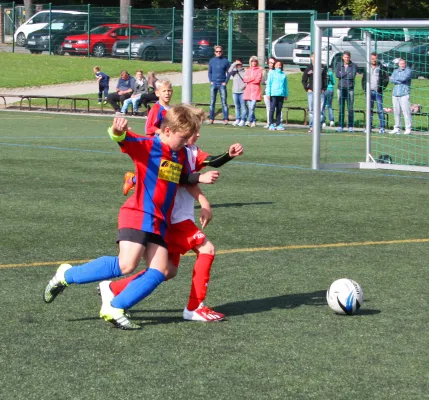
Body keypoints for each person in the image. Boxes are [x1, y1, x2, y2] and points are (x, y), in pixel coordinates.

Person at [43, 106, 219, 330]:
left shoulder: (180, 153)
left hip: (159, 221)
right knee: (126, 264)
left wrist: (198, 178)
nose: (185, 143)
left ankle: (115, 307)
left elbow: (181, 176)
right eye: (182, 138)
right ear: (166, 131)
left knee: (162, 271)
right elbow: (123, 139)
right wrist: (117, 131)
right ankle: (66, 274)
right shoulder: (149, 146)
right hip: (138, 213)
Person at [101, 109, 244, 322]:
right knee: (207, 249)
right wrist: (199, 180)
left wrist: (227, 157)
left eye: (196, 132)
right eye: (192, 132)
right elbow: (178, 176)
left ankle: (114, 288)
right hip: (175, 218)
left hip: (170, 218)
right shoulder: (173, 149)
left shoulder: (189, 151)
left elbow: (202, 167)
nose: (196, 136)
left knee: (167, 271)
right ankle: (194, 307)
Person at [361, 52, 389, 134]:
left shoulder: (381, 67)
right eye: (372, 58)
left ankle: (382, 127)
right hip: (369, 92)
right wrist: (365, 89)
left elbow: (386, 79)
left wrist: (381, 88)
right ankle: (368, 127)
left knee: (380, 109)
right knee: (369, 110)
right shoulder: (367, 67)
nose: (373, 60)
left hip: (378, 92)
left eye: (375, 58)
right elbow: (363, 79)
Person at [302, 52, 327, 133]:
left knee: (321, 111)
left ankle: (319, 126)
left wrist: (324, 88)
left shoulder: (323, 67)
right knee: (312, 110)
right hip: (311, 92)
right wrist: (307, 88)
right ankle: (312, 126)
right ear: (311, 58)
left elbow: (325, 79)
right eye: (314, 57)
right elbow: (304, 80)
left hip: (320, 92)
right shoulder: (308, 68)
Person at [389, 58, 412, 135]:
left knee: (406, 112)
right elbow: (391, 79)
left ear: (405, 64)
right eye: (400, 63)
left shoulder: (408, 71)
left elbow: (404, 78)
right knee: (396, 112)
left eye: (403, 63)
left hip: (404, 93)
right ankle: (397, 128)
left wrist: (396, 79)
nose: (402, 65)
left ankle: (408, 128)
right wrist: (397, 79)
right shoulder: (395, 71)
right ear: (398, 64)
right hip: (395, 94)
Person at [335, 51, 357, 132]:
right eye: (345, 57)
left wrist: (342, 74)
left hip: (350, 89)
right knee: (341, 108)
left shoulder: (354, 65)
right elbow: (337, 75)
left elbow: (352, 76)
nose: (346, 59)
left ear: (350, 57)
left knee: (350, 108)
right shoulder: (338, 65)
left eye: (348, 57)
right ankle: (341, 125)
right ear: (342, 57)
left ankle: (350, 126)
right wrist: (346, 73)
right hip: (340, 89)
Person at [208, 45, 230, 125]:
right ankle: (211, 118)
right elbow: (209, 72)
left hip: (222, 84)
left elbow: (229, 72)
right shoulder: (211, 61)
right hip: (213, 83)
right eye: (217, 51)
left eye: (220, 51)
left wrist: (226, 82)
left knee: (224, 102)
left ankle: (225, 118)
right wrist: (211, 81)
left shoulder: (225, 61)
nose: (218, 53)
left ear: (222, 52)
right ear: (215, 52)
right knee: (212, 102)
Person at [266, 59, 288, 131]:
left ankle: (278, 124)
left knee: (279, 109)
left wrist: (286, 94)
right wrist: (268, 93)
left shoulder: (283, 74)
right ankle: (271, 123)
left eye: (280, 64)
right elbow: (269, 83)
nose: (279, 65)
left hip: (281, 94)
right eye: (277, 64)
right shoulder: (271, 73)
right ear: (274, 65)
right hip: (273, 94)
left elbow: (285, 85)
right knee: (272, 109)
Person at [243, 56, 263, 128]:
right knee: (250, 107)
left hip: (255, 90)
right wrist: (253, 78)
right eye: (252, 61)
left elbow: (258, 80)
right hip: (248, 90)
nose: (253, 63)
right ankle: (254, 121)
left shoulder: (259, 70)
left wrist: (250, 79)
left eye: (255, 61)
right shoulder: (248, 70)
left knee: (252, 106)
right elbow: (245, 79)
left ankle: (248, 120)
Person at [228, 58, 247, 126]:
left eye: (239, 64)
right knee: (237, 106)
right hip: (235, 91)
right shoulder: (234, 71)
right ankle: (237, 119)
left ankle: (243, 119)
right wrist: (234, 63)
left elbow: (247, 81)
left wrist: (244, 87)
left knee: (243, 106)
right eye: (237, 64)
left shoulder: (245, 71)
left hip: (242, 92)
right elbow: (229, 71)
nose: (238, 65)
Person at [262, 57, 279, 128]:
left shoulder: (277, 72)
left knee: (276, 107)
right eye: (269, 63)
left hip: (275, 92)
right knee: (268, 108)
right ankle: (269, 122)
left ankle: (278, 122)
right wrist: (268, 82)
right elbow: (263, 81)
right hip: (266, 92)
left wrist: (269, 82)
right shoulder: (266, 71)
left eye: (272, 63)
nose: (271, 64)